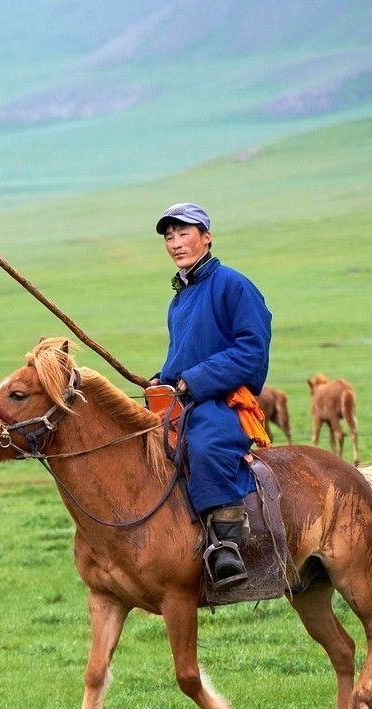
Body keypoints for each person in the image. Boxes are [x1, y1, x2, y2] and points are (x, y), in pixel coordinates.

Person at [149, 202, 272, 589]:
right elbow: (184, 354)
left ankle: (226, 544)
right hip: (185, 399)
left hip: (223, 399)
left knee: (206, 443)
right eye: (169, 237)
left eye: (183, 233)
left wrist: (197, 378)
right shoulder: (180, 297)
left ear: (206, 237)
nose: (175, 243)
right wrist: (162, 378)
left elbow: (252, 350)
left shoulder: (233, 285)